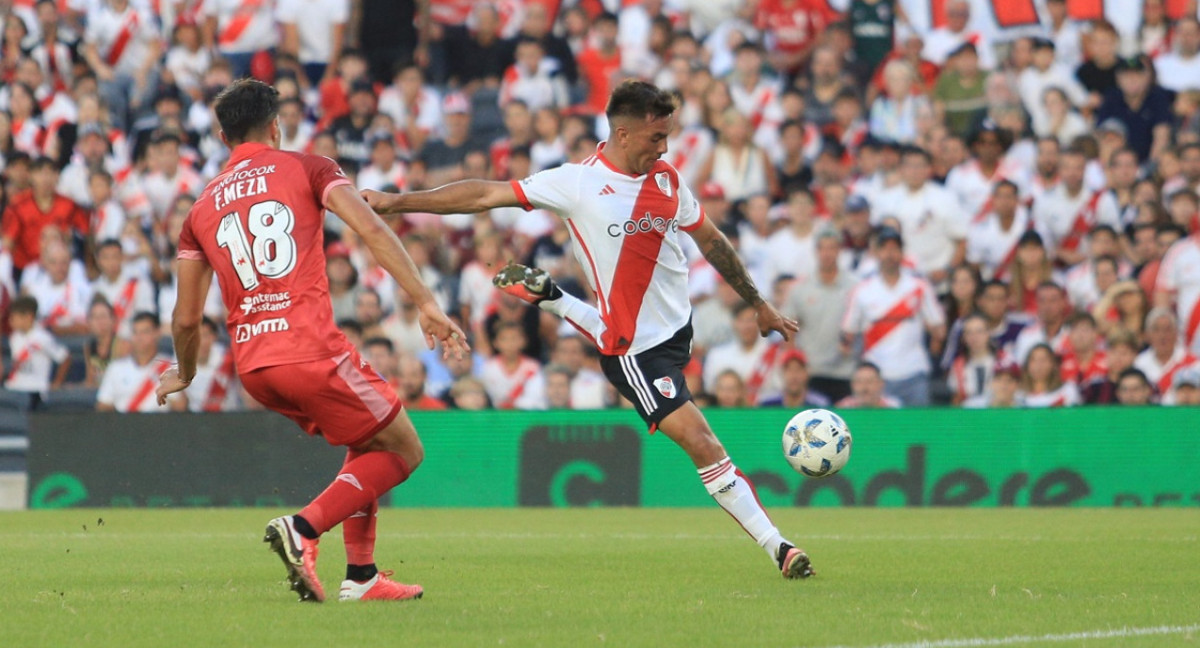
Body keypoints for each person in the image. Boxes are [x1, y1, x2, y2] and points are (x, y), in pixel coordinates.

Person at [362, 80, 815, 580]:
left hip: (675, 332)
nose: (663, 147)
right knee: (703, 443)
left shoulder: (666, 180)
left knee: (631, 344)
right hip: (636, 353)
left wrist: (759, 303)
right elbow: (485, 195)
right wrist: (395, 201)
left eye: (667, 137)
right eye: (655, 137)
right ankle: (780, 548)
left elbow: (711, 240)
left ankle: (553, 299)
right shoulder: (576, 183)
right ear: (623, 133)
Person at [155, 79, 467, 604]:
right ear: (275, 126)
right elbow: (370, 228)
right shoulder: (308, 166)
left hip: (254, 366)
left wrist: (184, 373)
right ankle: (303, 528)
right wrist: (426, 302)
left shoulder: (200, 209)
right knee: (405, 450)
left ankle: (362, 577)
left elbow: (186, 319)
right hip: (310, 348)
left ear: (222, 134)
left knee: (366, 439)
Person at [4, 295, 70, 409]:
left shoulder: (43, 338)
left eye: (15, 317)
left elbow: (65, 358)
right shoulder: (14, 337)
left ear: (28, 317)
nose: (11, 321)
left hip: (34, 389)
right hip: (14, 387)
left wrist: (57, 382)